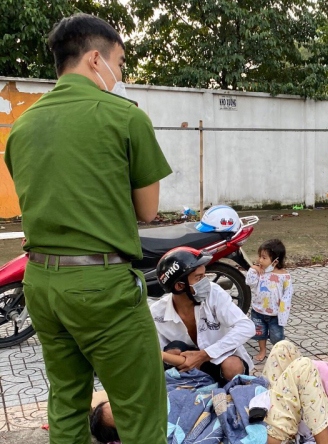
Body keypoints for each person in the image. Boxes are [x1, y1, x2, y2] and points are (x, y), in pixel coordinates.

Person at [3, 13, 172, 444]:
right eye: (119, 61)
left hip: (40, 282)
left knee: (66, 402)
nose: (121, 73)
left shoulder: (21, 127)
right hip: (102, 287)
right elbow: (148, 211)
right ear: (96, 59)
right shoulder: (125, 117)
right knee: (141, 410)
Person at [91, 340, 328, 444]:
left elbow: (193, 378)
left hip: (255, 404)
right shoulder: (159, 435)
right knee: (302, 368)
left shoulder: (163, 396)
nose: (132, 409)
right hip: (255, 430)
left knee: (284, 349)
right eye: (122, 416)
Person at [152, 247, 255, 386]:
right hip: (188, 367)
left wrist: (204, 355)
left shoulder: (214, 293)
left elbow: (247, 327)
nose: (206, 282)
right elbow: (157, 355)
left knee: (232, 366)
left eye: (204, 275)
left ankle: (232, 394)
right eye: (199, 278)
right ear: (179, 286)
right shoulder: (158, 313)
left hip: (220, 360)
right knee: (173, 350)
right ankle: (190, 390)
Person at [246, 239, 294, 363]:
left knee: (277, 336)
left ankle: (278, 353)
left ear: (275, 261)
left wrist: (283, 314)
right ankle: (262, 350)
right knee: (260, 334)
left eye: (264, 258)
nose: (259, 260)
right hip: (258, 310)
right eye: (259, 257)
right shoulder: (260, 272)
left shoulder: (285, 276)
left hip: (275, 314)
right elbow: (249, 282)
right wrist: (252, 269)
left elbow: (287, 295)